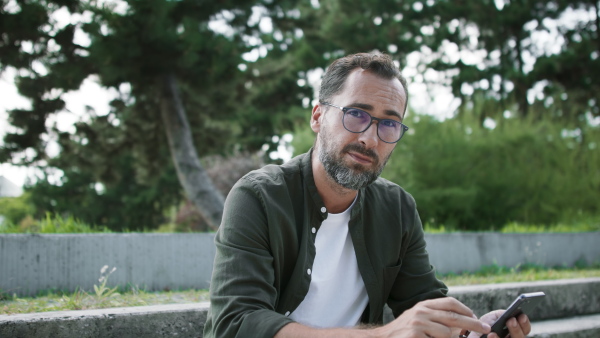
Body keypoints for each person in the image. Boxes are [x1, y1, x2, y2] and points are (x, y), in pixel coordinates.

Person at [203, 52, 532, 338]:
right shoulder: (259, 197)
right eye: (356, 114)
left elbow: (424, 305)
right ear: (318, 116)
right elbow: (236, 324)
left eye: (389, 125)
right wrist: (384, 335)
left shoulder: (397, 207)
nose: (371, 139)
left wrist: (471, 330)